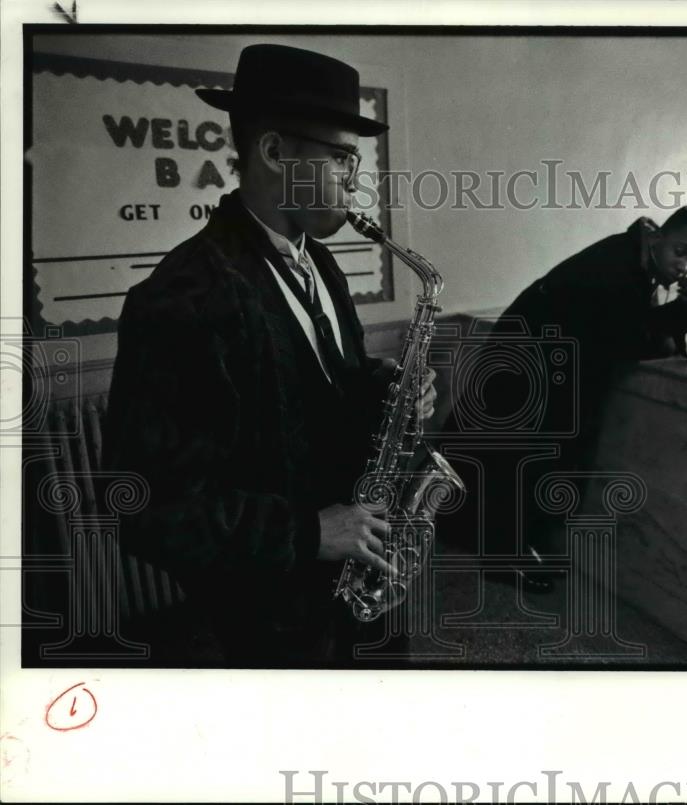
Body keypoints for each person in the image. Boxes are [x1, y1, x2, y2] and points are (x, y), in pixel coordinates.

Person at [103, 44, 435, 667]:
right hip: (272, 613)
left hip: (356, 576)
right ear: (276, 151)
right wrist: (310, 532)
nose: (357, 181)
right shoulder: (182, 298)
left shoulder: (320, 260)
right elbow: (145, 508)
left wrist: (380, 384)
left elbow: (306, 387)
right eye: (341, 157)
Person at [440, 207, 687, 591]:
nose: (684, 265)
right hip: (525, 362)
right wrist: (678, 314)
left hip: (541, 362)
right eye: (680, 251)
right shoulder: (617, 264)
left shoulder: (638, 262)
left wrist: (680, 315)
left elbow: (639, 336)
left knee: (516, 459)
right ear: (658, 239)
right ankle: (503, 559)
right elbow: (623, 338)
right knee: (515, 461)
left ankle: (496, 545)